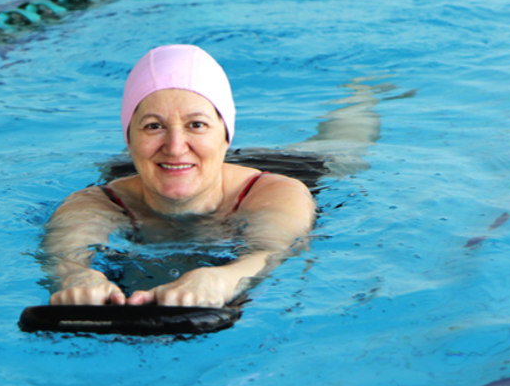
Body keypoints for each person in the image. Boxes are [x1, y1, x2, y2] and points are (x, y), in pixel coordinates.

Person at [41, 44, 317, 308]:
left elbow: (271, 252)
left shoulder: (277, 194)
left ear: (226, 135)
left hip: (296, 168)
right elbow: (64, 259)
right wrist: (76, 278)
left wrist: (223, 278)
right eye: (153, 126)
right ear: (129, 139)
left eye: (197, 124)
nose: (174, 147)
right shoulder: (97, 202)